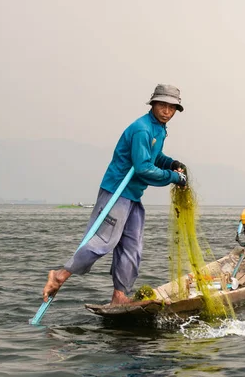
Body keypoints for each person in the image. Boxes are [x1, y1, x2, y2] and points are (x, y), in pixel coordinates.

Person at [42, 84, 188, 305]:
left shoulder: (159, 129)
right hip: (117, 191)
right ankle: (60, 275)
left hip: (133, 194)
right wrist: (174, 177)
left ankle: (119, 296)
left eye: (172, 107)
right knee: (104, 241)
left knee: (132, 246)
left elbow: (153, 157)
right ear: (153, 104)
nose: (167, 111)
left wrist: (171, 163)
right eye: (162, 105)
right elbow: (143, 168)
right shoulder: (142, 129)